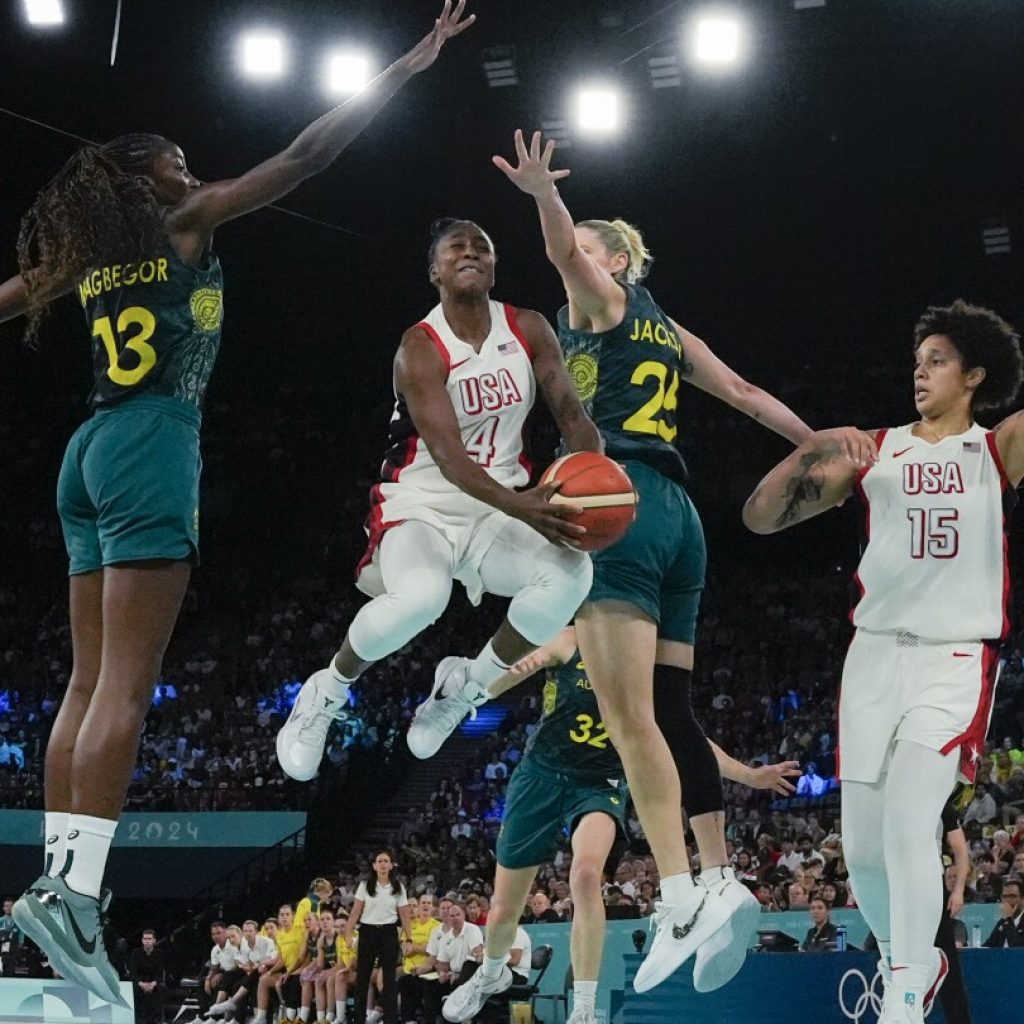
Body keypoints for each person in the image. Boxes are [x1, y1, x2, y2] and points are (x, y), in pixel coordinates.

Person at [3, 1, 476, 1005]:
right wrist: (405, 65)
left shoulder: (85, 256)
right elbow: (304, 155)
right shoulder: (179, 220)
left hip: (84, 450)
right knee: (124, 687)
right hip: (150, 440)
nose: (190, 167)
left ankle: (58, 877)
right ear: (147, 180)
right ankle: (78, 892)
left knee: (83, 687)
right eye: (175, 158)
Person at [454, 129, 812, 995]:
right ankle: (714, 876)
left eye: (588, 248)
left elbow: (554, 243)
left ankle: (682, 895)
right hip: (678, 517)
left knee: (629, 719)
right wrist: (827, 449)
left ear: (614, 257)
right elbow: (748, 395)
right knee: (671, 708)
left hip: (615, 506)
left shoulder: (604, 300)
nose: (573, 259)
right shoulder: (668, 328)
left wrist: (544, 194)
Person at [743, 299, 1024, 1022]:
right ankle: (915, 958)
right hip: (871, 661)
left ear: (975, 375)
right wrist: (815, 447)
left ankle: (903, 989)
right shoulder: (877, 449)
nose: (920, 374)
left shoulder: (997, 449)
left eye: (937, 362)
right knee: (863, 849)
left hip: (953, 657)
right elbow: (762, 515)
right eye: (916, 363)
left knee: (909, 820)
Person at [276, 213, 601, 783]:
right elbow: (451, 462)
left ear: (495, 265)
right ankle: (327, 689)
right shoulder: (419, 347)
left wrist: (593, 479)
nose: (470, 252)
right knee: (421, 598)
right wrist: (526, 505)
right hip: (420, 503)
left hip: (497, 505)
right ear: (436, 270)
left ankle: (466, 686)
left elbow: (574, 419)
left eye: (482, 244)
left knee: (573, 573)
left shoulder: (527, 327)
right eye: (456, 247)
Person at [441, 628, 800, 1024]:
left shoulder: (644, 667)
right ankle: (490, 975)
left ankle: (583, 1009)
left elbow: (689, 743)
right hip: (541, 775)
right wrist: (487, 681)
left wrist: (749, 775)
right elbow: (528, 661)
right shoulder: (571, 638)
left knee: (585, 874)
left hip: (601, 784)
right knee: (504, 910)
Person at [343, 851, 412, 1024]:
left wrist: (408, 939)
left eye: (386, 861)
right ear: (374, 866)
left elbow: (404, 916)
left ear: (391, 865)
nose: (382, 864)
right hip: (367, 931)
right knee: (362, 977)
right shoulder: (365, 886)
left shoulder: (398, 887)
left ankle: (390, 1020)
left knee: (388, 978)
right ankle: (358, 1019)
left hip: (388, 932)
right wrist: (348, 934)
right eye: (379, 861)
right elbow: (355, 913)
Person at [937, 800, 973, 1024]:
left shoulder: (940, 802)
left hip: (932, 887)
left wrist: (958, 890)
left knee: (948, 967)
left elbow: (960, 849)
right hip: (900, 887)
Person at [128, 929, 166, 1024]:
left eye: (149, 938)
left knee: (161, 988)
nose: (147, 941)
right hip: (140, 982)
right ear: (142, 940)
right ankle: (137, 1018)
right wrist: (141, 984)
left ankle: (157, 1019)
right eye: (145, 939)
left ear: (154, 940)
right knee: (133, 987)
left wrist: (152, 984)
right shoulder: (135, 953)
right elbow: (133, 972)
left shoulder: (159, 953)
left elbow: (159, 972)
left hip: (153, 982)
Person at [983, 875, 1024, 947]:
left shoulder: (1006, 921)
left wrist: (1008, 921)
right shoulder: (1002, 922)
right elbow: (987, 947)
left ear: (1022, 899)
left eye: (1012, 896)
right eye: (1004, 896)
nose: (1007, 900)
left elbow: (1018, 949)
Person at [0, 898, 22, 978]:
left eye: (10, 906)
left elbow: (21, 934)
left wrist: (20, 943)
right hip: (0, 950)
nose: (8, 908)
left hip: (12, 950)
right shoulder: (0, 920)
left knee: (10, 972)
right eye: (6, 906)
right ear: (3, 908)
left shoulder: (18, 921)